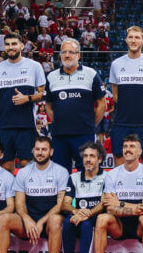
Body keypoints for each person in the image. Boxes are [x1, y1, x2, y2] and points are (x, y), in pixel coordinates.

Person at [0, 136, 69, 253]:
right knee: (3, 219)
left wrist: (41, 221)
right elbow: (20, 204)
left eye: (44, 149)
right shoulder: (23, 173)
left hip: (49, 221)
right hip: (28, 221)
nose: (40, 153)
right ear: (33, 151)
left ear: (51, 152)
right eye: (37, 149)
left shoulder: (61, 172)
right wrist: (28, 219)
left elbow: (59, 204)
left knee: (56, 220)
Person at [0, 33, 46, 171]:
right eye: (7, 44)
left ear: (22, 46)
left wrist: (27, 98)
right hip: (3, 126)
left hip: (26, 124)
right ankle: (11, 194)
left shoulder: (34, 66)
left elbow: (43, 94)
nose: (10, 47)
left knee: (27, 165)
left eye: (14, 44)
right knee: (6, 167)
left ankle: (26, 193)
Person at [45, 38, 106, 172]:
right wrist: (58, 120)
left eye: (71, 52)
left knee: (86, 172)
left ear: (78, 55)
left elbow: (102, 103)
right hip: (59, 135)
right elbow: (48, 104)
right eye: (64, 52)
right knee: (60, 174)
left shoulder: (91, 74)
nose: (67, 55)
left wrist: (91, 123)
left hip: (84, 134)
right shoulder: (51, 77)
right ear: (60, 55)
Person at [109, 26, 143, 171]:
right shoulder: (116, 64)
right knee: (119, 165)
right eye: (131, 37)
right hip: (122, 122)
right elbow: (115, 94)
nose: (134, 40)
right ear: (126, 40)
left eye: (137, 37)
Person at [58, 141, 107, 253]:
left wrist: (88, 213)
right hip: (79, 214)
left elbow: (104, 202)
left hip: (96, 217)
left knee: (86, 224)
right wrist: (76, 211)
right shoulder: (74, 177)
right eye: (85, 156)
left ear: (99, 159)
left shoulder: (106, 177)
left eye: (92, 156)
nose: (88, 159)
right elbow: (65, 204)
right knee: (67, 222)